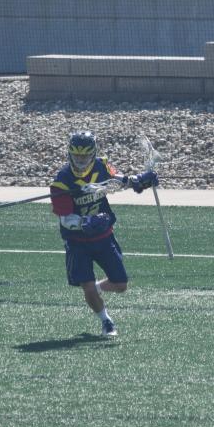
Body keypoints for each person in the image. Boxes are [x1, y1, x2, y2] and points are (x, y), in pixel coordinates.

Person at [50, 130, 159, 337]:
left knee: (121, 285)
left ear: (93, 154)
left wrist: (138, 181)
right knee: (88, 287)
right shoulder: (62, 182)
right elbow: (64, 219)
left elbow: (117, 180)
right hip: (77, 242)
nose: (80, 161)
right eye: (76, 156)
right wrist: (85, 222)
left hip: (103, 237)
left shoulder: (101, 165)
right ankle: (106, 321)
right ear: (69, 154)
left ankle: (97, 288)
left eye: (85, 156)